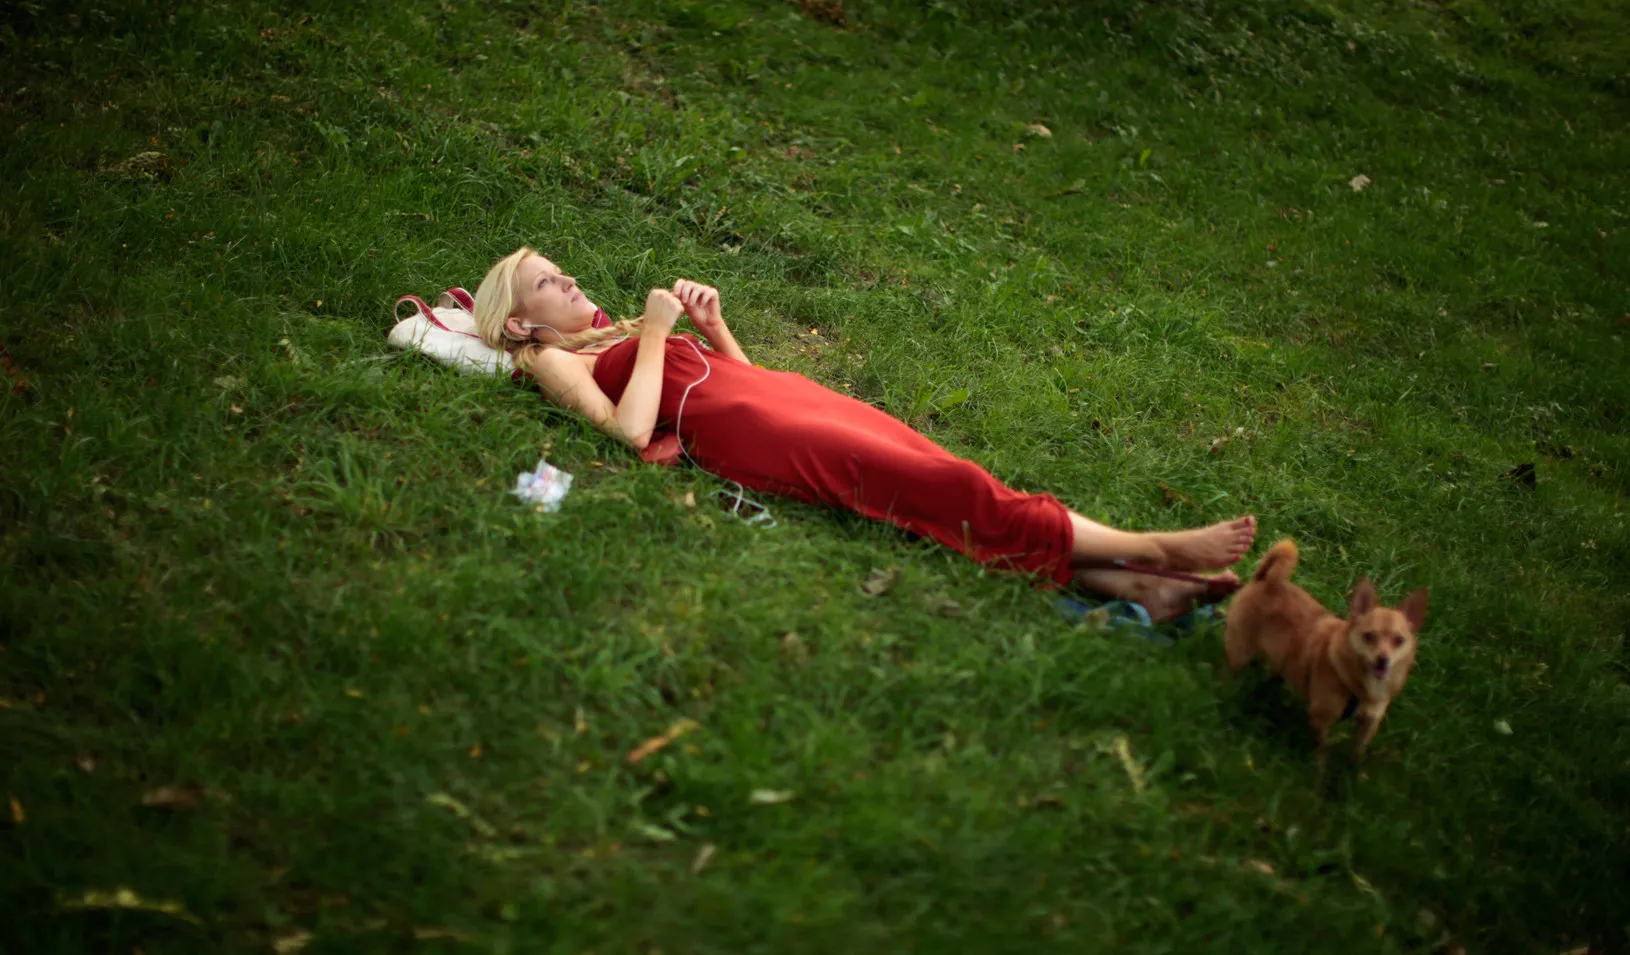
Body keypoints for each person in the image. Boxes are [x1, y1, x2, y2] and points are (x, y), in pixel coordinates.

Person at [473, 247, 1255, 621]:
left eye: (562, 271)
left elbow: (732, 377)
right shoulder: (547, 357)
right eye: (550, 282)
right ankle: (1153, 546)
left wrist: (715, 328)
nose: (570, 280)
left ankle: (1127, 583)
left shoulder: (608, 334)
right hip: (764, 436)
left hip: (784, 399)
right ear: (518, 321)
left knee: (933, 470)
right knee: (943, 489)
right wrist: (654, 331)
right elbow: (627, 429)